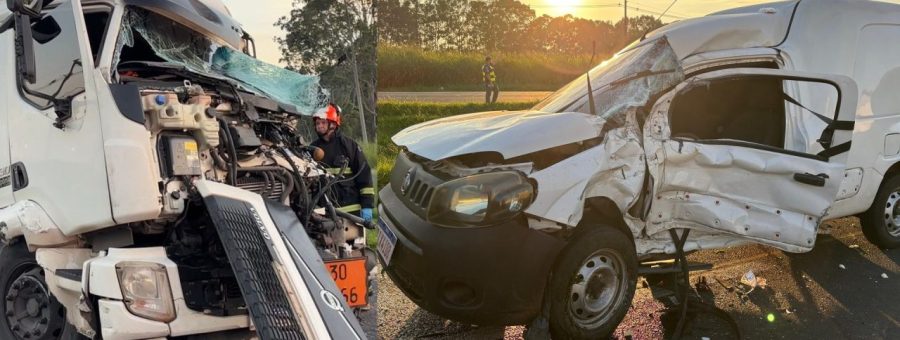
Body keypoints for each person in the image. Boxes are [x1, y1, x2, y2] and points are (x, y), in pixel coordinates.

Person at [311, 103, 374, 222]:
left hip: (352, 213)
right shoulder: (312, 149)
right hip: (325, 214)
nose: (319, 126)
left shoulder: (349, 146)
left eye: (323, 122)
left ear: (333, 124)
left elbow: (364, 176)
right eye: (317, 123)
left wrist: (367, 205)